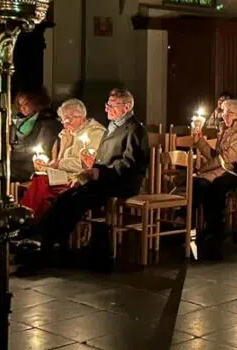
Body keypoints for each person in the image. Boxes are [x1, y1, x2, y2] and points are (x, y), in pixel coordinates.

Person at [16, 88, 148, 270]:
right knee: (65, 197)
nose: (107, 109)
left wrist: (99, 173)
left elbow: (129, 164)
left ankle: (48, 245)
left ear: (126, 107)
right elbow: (100, 158)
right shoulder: (114, 125)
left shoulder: (134, 130)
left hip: (120, 183)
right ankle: (44, 240)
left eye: (112, 105)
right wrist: (88, 168)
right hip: (103, 178)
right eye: (107, 104)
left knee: (76, 200)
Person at [21, 99, 106, 221]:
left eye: (69, 119)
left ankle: (29, 222)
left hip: (81, 178)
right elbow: (59, 162)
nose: (65, 124)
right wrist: (65, 146)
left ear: (81, 116)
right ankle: (33, 222)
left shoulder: (95, 133)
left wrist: (57, 164)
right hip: (63, 177)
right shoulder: (68, 132)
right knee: (40, 182)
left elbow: (86, 164)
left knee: (42, 185)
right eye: (63, 119)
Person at [192, 98, 237, 258]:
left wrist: (202, 169)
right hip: (222, 168)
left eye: (228, 114)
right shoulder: (225, 129)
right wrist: (199, 140)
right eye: (223, 113)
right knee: (199, 184)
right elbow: (215, 155)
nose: (224, 117)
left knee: (214, 185)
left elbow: (228, 158)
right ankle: (197, 224)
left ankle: (215, 229)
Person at [9, 88, 61, 182]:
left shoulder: (47, 122)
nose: (22, 108)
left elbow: (43, 150)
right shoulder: (18, 120)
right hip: (18, 160)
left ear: (37, 102)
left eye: (26, 104)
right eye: (20, 105)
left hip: (31, 164)